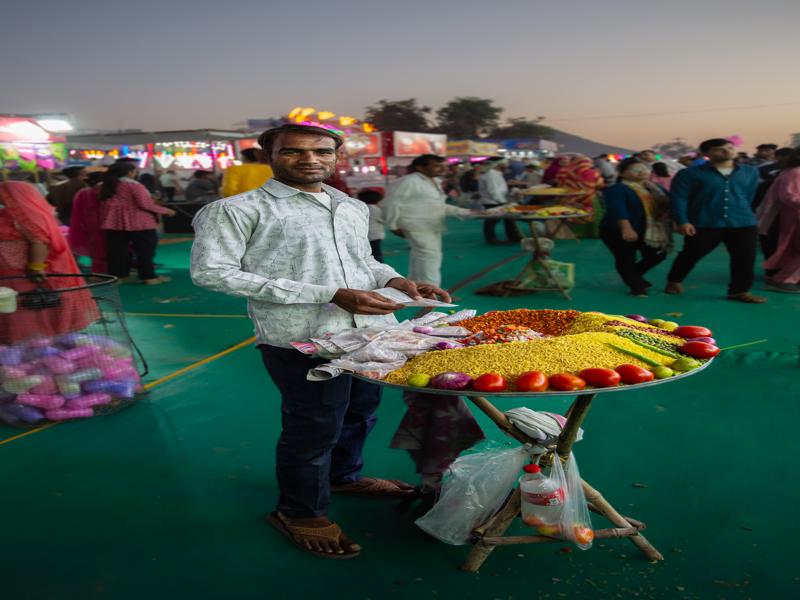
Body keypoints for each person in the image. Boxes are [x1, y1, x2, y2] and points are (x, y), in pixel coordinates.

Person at [190, 123, 450, 559]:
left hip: (369, 332)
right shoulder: (236, 210)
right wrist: (328, 294)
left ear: (336, 156)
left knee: (360, 411)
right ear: (269, 155)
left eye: (322, 151)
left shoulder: (349, 205)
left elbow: (362, 261)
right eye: (294, 152)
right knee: (313, 426)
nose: (310, 159)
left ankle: (343, 475)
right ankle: (299, 512)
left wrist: (399, 281)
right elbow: (212, 273)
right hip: (301, 338)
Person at [665, 138, 766, 303]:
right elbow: (679, 198)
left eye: (729, 147)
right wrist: (683, 220)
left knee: (745, 258)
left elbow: (749, 194)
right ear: (706, 154)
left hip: (742, 221)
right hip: (705, 222)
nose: (727, 151)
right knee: (691, 253)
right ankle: (674, 280)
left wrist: (744, 210)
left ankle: (739, 291)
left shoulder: (749, 171)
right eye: (719, 149)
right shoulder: (690, 174)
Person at [0, 182, 97, 344]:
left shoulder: (27, 215)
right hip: (9, 271)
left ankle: (35, 343)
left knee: (30, 307)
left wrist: (36, 267)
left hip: (24, 273)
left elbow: (39, 241)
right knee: (16, 307)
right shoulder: (9, 214)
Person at [384, 154, 473, 285]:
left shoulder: (434, 181)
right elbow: (391, 203)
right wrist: (392, 225)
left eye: (443, 166)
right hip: (416, 226)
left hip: (431, 225)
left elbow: (437, 205)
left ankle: (415, 290)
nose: (442, 169)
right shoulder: (409, 181)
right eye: (437, 166)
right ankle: (433, 295)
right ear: (420, 167)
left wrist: (467, 212)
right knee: (430, 258)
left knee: (421, 259)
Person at [600, 159, 672, 297]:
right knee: (626, 258)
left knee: (658, 254)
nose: (641, 172)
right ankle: (637, 286)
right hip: (617, 230)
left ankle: (632, 275)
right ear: (622, 173)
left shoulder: (655, 188)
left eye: (644, 168)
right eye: (635, 169)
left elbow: (668, 205)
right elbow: (618, 209)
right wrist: (626, 228)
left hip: (649, 230)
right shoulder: (617, 189)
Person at [100, 162, 175, 284]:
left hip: (114, 223)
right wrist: (166, 210)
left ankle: (120, 276)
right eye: (135, 171)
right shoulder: (134, 185)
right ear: (130, 172)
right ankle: (149, 277)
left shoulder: (108, 185)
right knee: (145, 250)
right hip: (139, 222)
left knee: (117, 251)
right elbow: (144, 204)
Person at [757, 148, 800, 292]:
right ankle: (782, 279)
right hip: (791, 218)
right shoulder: (795, 173)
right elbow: (788, 197)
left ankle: (783, 277)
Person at [69, 171, 108, 273]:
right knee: (106, 247)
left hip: (89, 224)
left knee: (96, 248)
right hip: (106, 222)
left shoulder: (82, 192)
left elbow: (77, 210)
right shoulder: (103, 190)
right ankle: (105, 271)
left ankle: (97, 271)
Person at [478, 158, 521, 244]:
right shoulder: (491, 174)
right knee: (492, 220)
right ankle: (491, 239)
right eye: (506, 163)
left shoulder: (496, 174)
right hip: (493, 201)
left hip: (497, 200)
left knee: (506, 219)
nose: (507, 165)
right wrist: (502, 202)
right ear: (499, 164)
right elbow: (492, 190)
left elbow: (499, 189)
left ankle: (513, 237)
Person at [357, 189, 385, 262]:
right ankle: (379, 267)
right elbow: (383, 219)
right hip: (375, 235)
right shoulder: (375, 209)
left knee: (369, 252)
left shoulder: (362, 207)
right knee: (376, 253)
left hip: (365, 234)